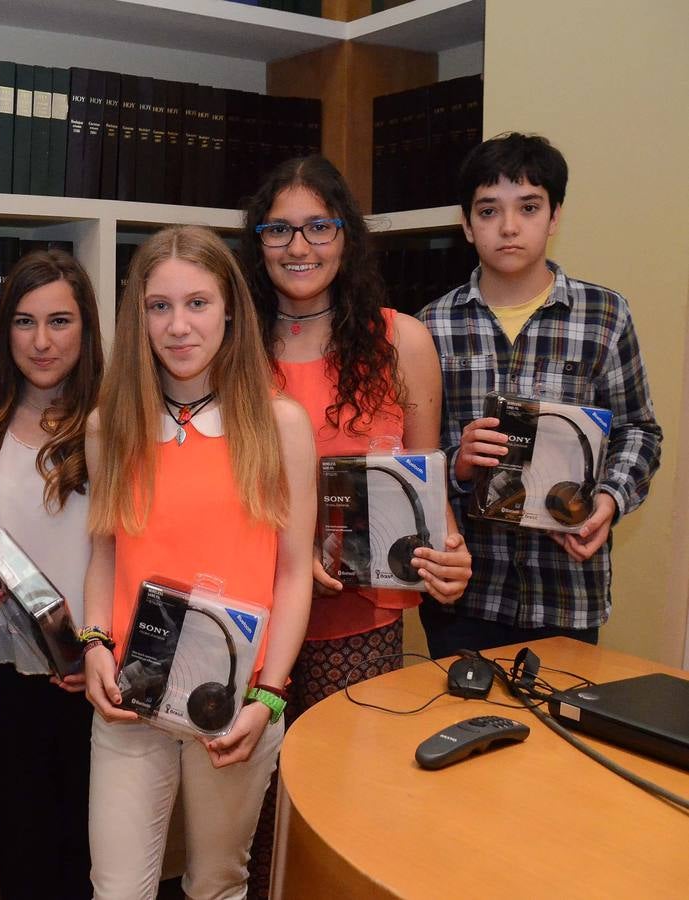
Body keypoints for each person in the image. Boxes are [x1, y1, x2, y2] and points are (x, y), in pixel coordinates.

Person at [239, 156, 474, 899]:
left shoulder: (399, 340)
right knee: (256, 801)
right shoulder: (230, 347)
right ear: (257, 241)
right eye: (278, 228)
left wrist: (452, 551)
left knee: (346, 798)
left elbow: (426, 478)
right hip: (255, 616)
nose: (298, 246)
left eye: (317, 225)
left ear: (345, 238)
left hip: (359, 617)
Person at [79, 224, 316, 900]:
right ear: (137, 317)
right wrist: (94, 642)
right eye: (159, 306)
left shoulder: (280, 427)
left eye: (197, 304)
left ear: (231, 311)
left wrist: (268, 696)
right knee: (117, 889)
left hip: (236, 703)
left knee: (215, 884)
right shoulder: (109, 427)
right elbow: (102, 550)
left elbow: (293, 572)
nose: (177, 326)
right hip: (131, 699)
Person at [416, 132, 661, 658]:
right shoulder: (430, 326)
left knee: (561, 735)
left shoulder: (604, 316)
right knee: (462, 732)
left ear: (554, 218)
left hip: (567, 593)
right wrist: (459, 464)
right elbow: (415, 449)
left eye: (528, 207)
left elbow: (639, 430)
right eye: (488, 211)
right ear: (465, 224)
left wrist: (609, 500)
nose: (508, 226)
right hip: (466, 596)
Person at [0, 250, 103, 900]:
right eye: (24, 322)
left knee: (88, 849)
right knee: (18, 841)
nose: (42, 341)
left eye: (59, 321)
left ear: (86, 328)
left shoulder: (114, 421)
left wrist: (105, 647)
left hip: (97, 667)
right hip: (2, 666)